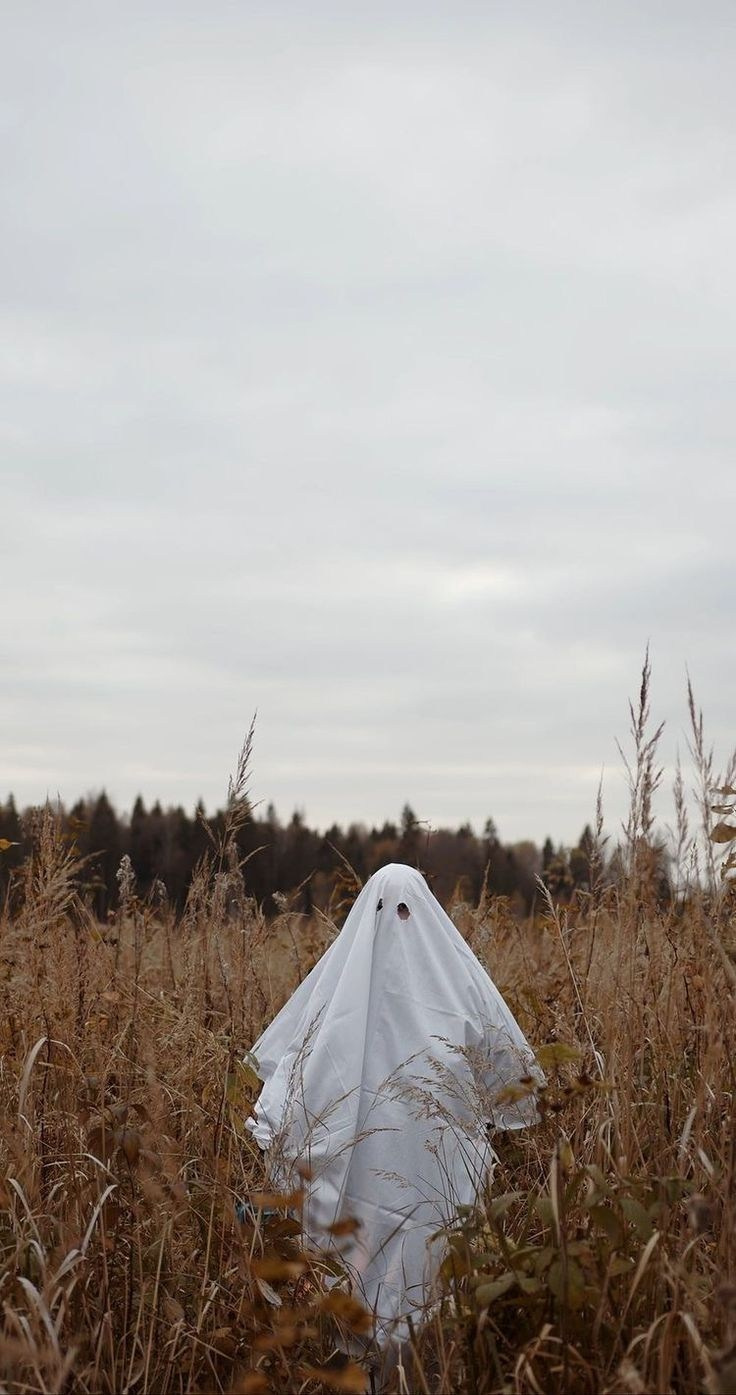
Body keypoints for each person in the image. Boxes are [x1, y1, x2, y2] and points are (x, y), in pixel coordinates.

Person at [245, 863, 541, 1353]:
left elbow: (508, 1075)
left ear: (424, 915)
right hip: (353, 1169)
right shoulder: (338, 998)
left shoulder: (458, 991)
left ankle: (417, 1356)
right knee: (358, 1262)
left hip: (429, 1167)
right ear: (369, 916)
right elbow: (297, 1077)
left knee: (421, 1268)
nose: (396, 923)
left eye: (407, 912)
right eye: (386, 911)